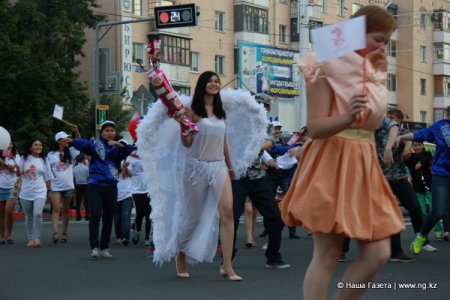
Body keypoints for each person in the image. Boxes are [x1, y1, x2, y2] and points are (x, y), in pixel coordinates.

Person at [281, 6, 405, 299]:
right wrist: (347, 118)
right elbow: (315, 127)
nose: (383, 47)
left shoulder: (371, 73)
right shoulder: (326, 65)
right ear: (356, 33)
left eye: (387, 41)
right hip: (332, 159)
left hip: (364, 162)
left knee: (378, 252)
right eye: (378, 39)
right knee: (328, 254)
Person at [169, 71, 241, 280]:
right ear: (202, 84)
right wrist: (183, 126)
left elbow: (224, 141)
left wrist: (229, 166)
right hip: (196, 167)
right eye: (210, 81)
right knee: (194, 216)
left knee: (227, 212)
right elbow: (187, 144)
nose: (214, 83)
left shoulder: (220, 111)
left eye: (217, 81)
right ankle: (181, 254)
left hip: (218, 166)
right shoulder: (191, 110)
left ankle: (227, 266)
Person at [63, 121, 133, 259]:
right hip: (95, 184)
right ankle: (94, 247)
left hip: (112, 186)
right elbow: (83, 143)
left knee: (108, 217)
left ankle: (104, 247)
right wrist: (72, 141)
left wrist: (118, 144)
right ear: (102, 133)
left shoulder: (119, 148)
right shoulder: (95, 145)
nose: (110, 133)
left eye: (112, 130)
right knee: (95, 215)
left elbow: (130, 150)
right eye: (106, 130)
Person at [398, 105, 450, 255]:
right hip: (442, 175)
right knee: (438, 212)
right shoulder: (441, 126)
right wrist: (401, 137)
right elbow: (419, 134)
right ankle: (421, 236)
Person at [19, 138, 54, 247]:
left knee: (38, 214)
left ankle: (37, 238)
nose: (39, 147)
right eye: (36, 145)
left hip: (40, 191)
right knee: (29, 216)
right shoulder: (24, 159)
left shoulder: (44, 160)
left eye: (40, 145)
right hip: (26, 192)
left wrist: (49, 192)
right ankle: (30, 239)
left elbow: (48, 177)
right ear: (30, 147)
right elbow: (18, 174)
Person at [47, 131, 80, 244]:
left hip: (68, 185)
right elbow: (48, 170)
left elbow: (80, 143)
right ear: (59, 141)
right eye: (65, 139)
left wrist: (77, 131)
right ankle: (55, 232)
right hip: (55, 186)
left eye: (68, 139)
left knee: (66, 210)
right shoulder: (51, 154)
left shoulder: (71, 151)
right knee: (56, 209)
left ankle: (64, 233)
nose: (68, 140)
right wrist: (48, 188)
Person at [0, 143, 20, 244]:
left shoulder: (16, 156)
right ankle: (2, 236)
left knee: (9, 211)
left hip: (13, 187)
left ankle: (9, 235)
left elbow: (17, 171)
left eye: (10, 143)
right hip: (0, 186)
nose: (9, 145)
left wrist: (5, 163)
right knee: (1, 213)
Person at [114, 160, 133, 246]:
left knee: (125, 216)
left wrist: (125, 167)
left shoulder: (128, 159)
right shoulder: (113, 160)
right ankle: (118, 237)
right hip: (115, 194)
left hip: (127, 194)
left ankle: (126, 237)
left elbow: (129, 174)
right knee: (116, 217)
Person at [73, 155, 90, 221]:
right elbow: (88, 177)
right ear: (82, 160)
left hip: (78, 185)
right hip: (85, 184)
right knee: (86, 201)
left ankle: (78, 216)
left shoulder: (74, 168)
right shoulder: (86, 168)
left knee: (78, 201)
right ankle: (87, 216)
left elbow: (73, 178)